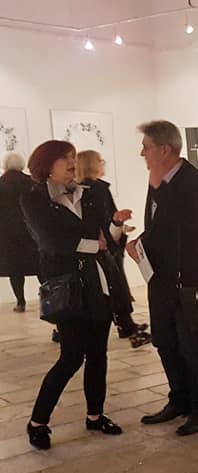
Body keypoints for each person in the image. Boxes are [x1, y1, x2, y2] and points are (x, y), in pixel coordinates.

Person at [21, 140, 124, 449]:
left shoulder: (88, 194)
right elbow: (50, 242)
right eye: (65, 158)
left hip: (96, 283)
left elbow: (108, 239)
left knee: (98, 355)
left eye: (73, 157)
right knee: (71, 357)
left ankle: (95, 415)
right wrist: (94, 245)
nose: (72, 162)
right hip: (66, 287)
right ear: (47, 164)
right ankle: (37, 422)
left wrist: (116, 226)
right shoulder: (34, 197)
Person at [131, 120, 198, 436]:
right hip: (161, 277)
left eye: (146, 147)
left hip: (189, 277)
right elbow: (159, 227)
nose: (142, 153)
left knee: (193, 344)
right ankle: (179, 399)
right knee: (165, 341)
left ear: (164, 149)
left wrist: (159, 186)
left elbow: (187, 226)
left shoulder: (191, 180)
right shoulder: (158, 180)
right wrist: (141, 242)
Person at [76, 150, 151, 349]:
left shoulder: (79, 190)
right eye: (101, 161)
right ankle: (127, 327)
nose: (103, 164)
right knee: (115, 288)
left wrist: (117, 225)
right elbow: (105, 220)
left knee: (112, 288)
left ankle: (126, 325)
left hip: (92, 249)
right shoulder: (98, 189)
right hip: (101, 249)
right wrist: (116, 226)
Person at [0, 152, 40, 313]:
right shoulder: (31, 182)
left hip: (7, 233)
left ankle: (20, 302)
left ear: (4, 165)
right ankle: (50, 296)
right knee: (39, 265)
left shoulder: (1, 183)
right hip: (31, 230)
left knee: (14, 268)